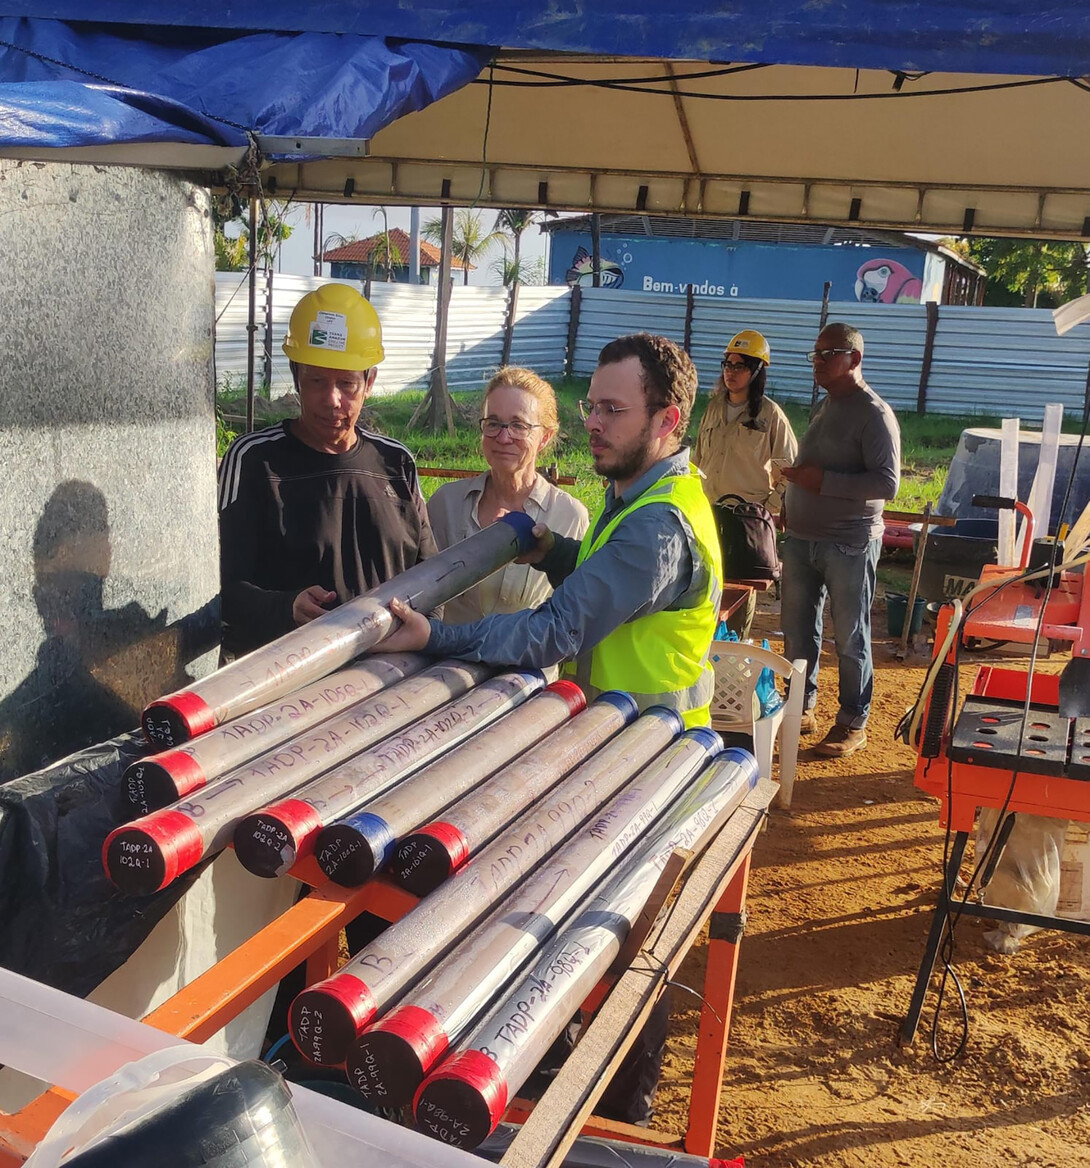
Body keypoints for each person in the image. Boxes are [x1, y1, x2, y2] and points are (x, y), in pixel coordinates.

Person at [378, 332, 723, 1125]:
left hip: (648, 759)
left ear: (666, 419)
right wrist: (555, 547)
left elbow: (549, 634)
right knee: (589, 922)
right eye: (591, 406)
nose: (594, 423)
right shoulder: (641, 494)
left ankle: (618, 1115)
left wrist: (432, 639)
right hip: (618, 744)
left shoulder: (656, 524)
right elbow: (614, 583)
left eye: (613, 410)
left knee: (621, 937)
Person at [217, 283, 438, 660]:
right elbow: (220, 592)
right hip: (286, 684)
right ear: (295, 376)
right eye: (316, 380)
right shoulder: (255, 461)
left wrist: (425, 628)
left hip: (389, 677)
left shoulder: (396, 463)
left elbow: (432, 578)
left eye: (346, 384)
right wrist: (285, 608)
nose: (331, 399)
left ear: (369, 382)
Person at [780, 322, 900, 758]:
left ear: (855, 358)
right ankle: (801, 707)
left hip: (849, 543)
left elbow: (887, 483)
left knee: (850, 637)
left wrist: (820, 481)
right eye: (814, 354)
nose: (817, 362)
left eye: (827, 354)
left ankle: (853, 721)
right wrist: (792, 500)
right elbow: (814, 463)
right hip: (802, 538)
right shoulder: (827, 405)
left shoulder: (874, 414)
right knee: (796, 632)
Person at [427, 366, 589, 637]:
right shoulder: (446, 503)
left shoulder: (569, 515)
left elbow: (574, 619)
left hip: (525, 672)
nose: (503, 437)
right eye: (493, 423)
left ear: (544, 437)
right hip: (446, 668)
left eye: (518, 425)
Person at [693, 328, 797, 637]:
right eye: (727, 364)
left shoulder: (770, 416)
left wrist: (768, 509)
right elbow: (698, 461)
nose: (731, 372)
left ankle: (734, 647)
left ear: (756, 371)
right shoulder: (712, 409)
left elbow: (789, 470)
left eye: (740, 366)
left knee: (741, 588)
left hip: (747, 520)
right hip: (709, 512)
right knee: (705, 583)